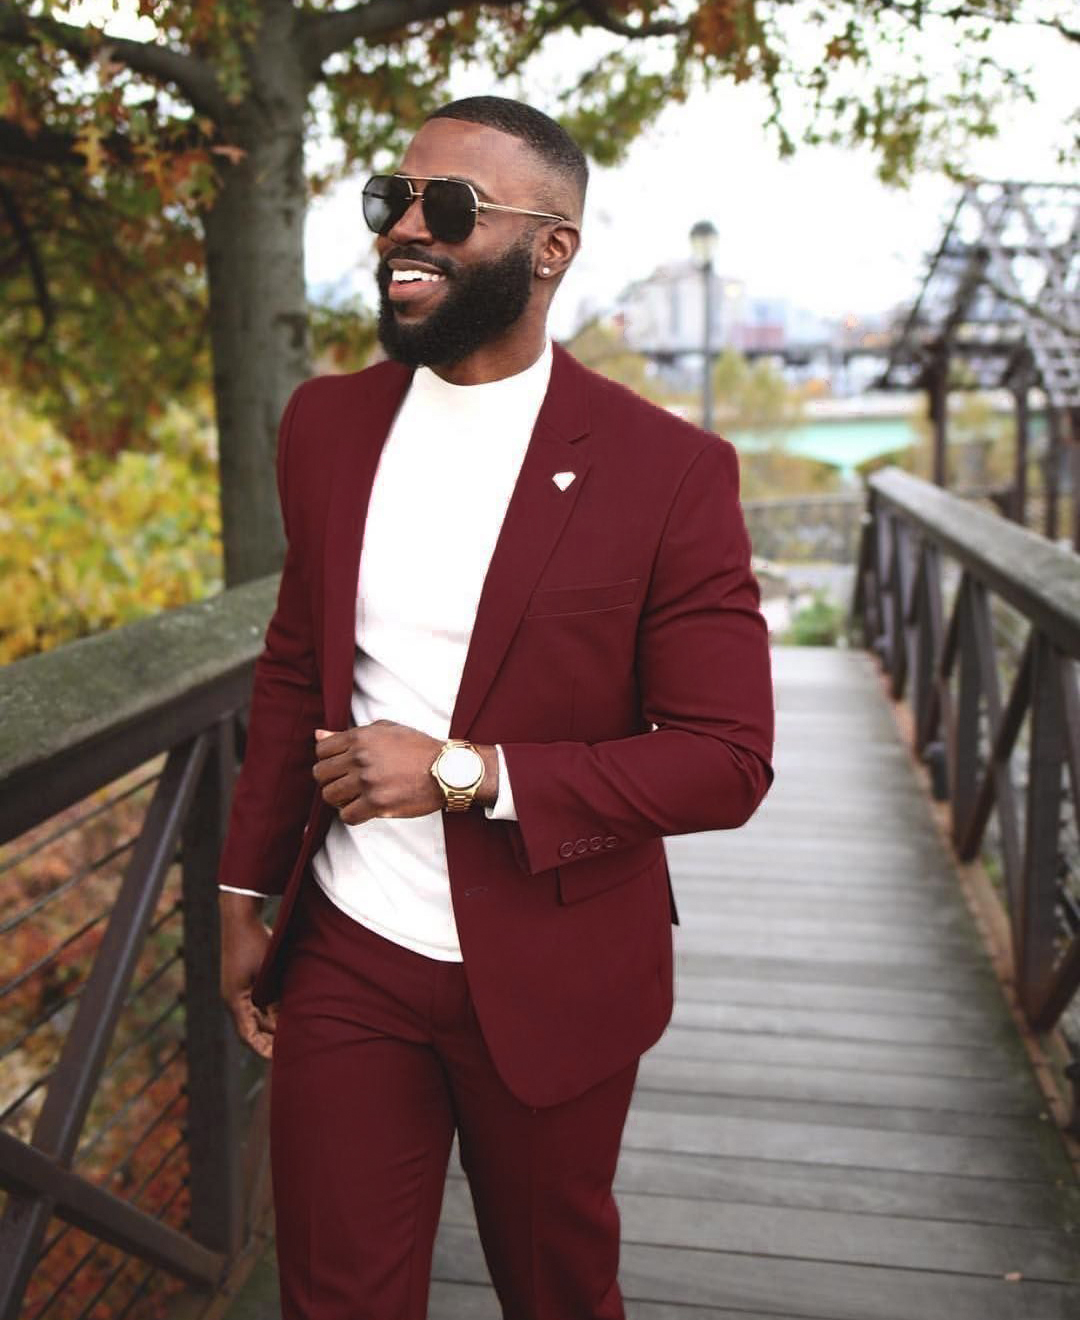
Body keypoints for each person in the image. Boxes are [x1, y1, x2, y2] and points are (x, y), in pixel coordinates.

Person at [217, 95, 774, 1320]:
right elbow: (291, 662)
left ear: (550, 248)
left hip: (559, 965)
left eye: (450, 209)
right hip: (352, 947)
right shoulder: (326, 424)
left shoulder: (668, 472)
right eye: (393, 201)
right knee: (335, 1299)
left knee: (557, 1290)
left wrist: (467, 773)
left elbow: (726, 762)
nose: (406, 228)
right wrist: (245, 891)